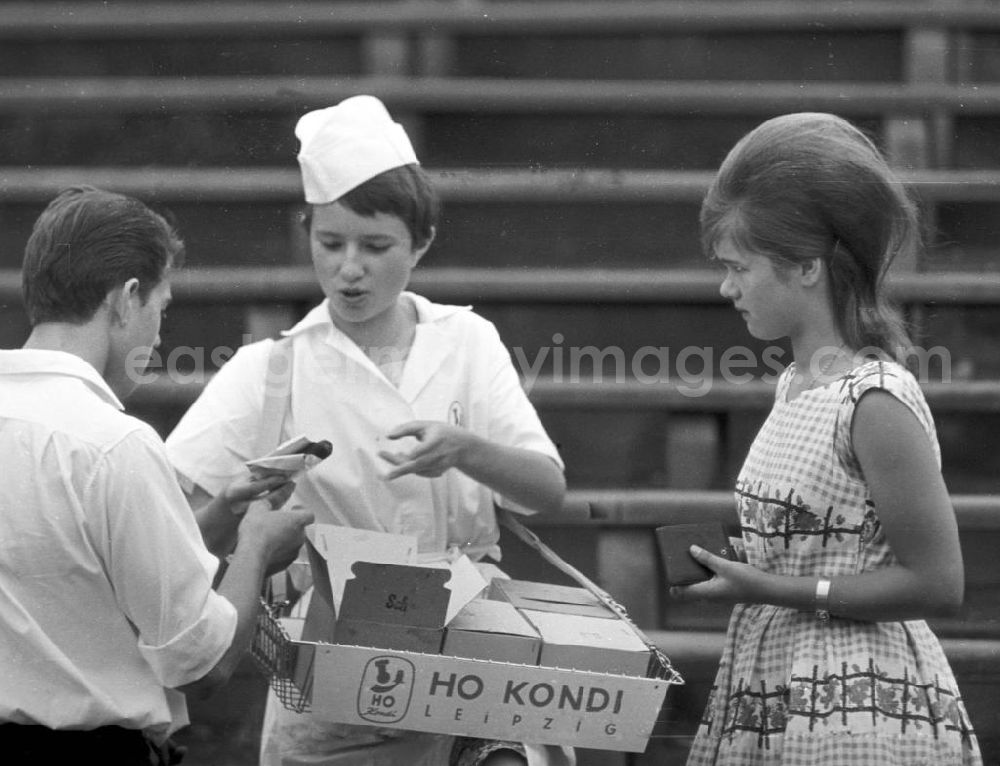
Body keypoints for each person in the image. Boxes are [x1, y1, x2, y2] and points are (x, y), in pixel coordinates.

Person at [164, 95, 571, 766]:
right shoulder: (273, 366)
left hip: (468, 638)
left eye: (376, 246)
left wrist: (467, 450)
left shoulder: (466, 340)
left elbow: (546, 489)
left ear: (422, 243)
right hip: (336, 651)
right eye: (331, 244)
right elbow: (175, 511)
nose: (349, 268)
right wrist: (248, 529)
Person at [669, 112, 983, 765]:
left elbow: (938, 580)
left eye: (739, 267)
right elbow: (827, 541)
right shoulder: (795, 385)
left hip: (856, 702)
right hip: (776, 681)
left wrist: (770, 586)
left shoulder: (874, 399)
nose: (727, 288)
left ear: (807, 266)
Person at [0, 186, 314, 764]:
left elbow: (81, 568)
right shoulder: (113, 444)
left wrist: (220, 514)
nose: (159, 336)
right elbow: (203, 665)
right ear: (126, 299)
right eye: (160, 310)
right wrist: (255, 549)